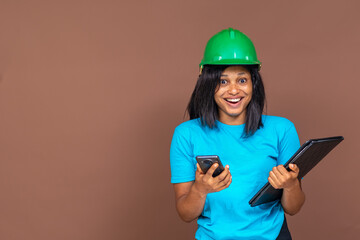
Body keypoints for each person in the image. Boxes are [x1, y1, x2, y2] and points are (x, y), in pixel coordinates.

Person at [169, 28, 305, 240]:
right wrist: (200, 189)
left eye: (242, 80)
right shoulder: (186, 134)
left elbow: (294, 207)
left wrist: (291, 185)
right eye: (223, 81)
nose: (234, 90)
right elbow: (185, 213)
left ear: (253, 84)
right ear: (207, 84)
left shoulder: (282, 129)